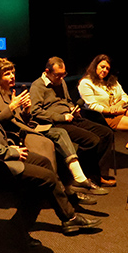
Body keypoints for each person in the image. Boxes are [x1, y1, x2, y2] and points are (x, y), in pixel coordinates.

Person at [0, 51, 102, 248]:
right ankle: (27, 228)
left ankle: (65, 218)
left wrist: (10, 142)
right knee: (45, 178)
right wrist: (10, 151)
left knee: (44, 164)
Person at [0, 57, 107, 196]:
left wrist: (26, 110)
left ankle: (75, 184)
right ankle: (74, 183)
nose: (12, 76)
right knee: (59, 135)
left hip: (32, 127)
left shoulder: (10, 93)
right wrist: (12, 107)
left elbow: (21, 119)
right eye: (7, 74)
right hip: (21, 135)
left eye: (12, 72)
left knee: (100, 134)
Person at [30, 56, 115, 187]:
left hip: (70, 117)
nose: (61, 78)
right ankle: (80, 174)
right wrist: (61, 117)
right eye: (58, 75)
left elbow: (67, 101)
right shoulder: (37, 86)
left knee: (106, 133)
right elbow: (36, 112)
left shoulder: (61, 81)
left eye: (63, 74)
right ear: (47, 72)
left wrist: (72, 108)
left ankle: (99, 175)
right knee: (92, 140)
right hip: (56, 123)